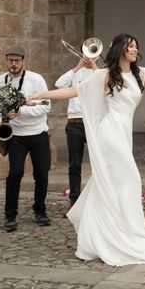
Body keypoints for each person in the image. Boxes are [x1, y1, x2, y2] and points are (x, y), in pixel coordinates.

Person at [28, 33, 145, 266]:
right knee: (130, 180)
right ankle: (119, 234)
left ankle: (110, 232)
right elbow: (74, 91)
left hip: (123, 134)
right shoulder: (106, 75)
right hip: (110, 133)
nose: (134, 50)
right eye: (130, 47)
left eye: (136, 46)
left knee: (113, 184)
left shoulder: (140, 73)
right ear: (120, 50)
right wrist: (41, 94)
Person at [0, 45, 52, 232]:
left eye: (17, 60)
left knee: (41, 174)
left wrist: (20, 112)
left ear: (24, 61)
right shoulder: (0, 81)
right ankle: (10, 215)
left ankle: (40, 211)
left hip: (38, 133)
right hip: (15, 135)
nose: (13, 64)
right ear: (6, 60)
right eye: (10, 60)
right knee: (15, 174)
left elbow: (45, 106)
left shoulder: (36, 79)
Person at [55, 52, 99, 215]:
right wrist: (78, 66)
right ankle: (74, 201)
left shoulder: (99, 73)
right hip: (75, 124)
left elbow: (104, 85)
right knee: (74, 165)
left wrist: (94, 66)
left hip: (93, 124)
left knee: (98, 164)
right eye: (87, 54)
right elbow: (59, 84)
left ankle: (97, 201)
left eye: (94, 54)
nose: (90, 57)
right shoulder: (75, 73)